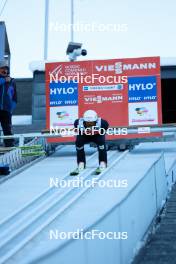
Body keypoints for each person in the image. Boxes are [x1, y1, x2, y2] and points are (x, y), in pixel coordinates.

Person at [70, 110, 109, 176]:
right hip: (84, 135)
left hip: (97, 135)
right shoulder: (78, 123)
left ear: (96, 121)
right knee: (78, 141)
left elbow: (104, 130)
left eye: (92, 123)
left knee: (101, 143)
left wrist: (98, 132)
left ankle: (103, 162)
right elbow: (78, 130)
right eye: (88, 123)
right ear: (84, 121)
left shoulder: (103, 123)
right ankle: (81, 162)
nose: (90, 125)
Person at [0, 60, 17, 147]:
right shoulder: (3, 81)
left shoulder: (12, 82)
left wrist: (11, 108)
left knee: (7, 129)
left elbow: (15, 97)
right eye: (2, 69)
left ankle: (9, 145)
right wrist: (3, 81)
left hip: (6, 110)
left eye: (6, 69)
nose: (5, 71)